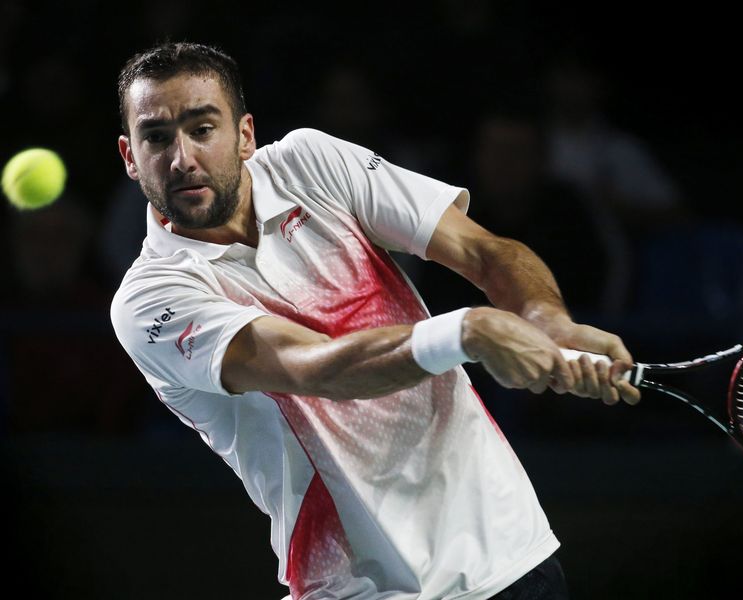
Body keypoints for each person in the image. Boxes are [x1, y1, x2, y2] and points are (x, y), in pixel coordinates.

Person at [110, 42, 640, 600]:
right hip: (363, 587)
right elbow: (314, 367)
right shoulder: (149, 300)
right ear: (129, 155)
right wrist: (467, 332)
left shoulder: (309, 162)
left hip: (510, 555)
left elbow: (482, 251)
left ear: (245, 135)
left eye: (202, 129)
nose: (182, 158)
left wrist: (546, 319)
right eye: (157, 137)